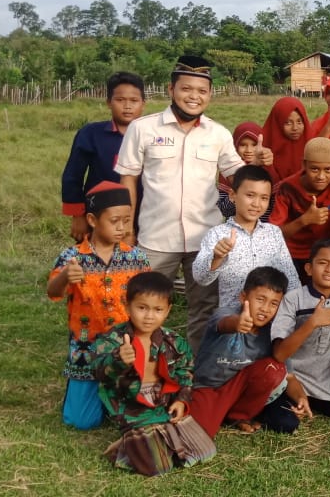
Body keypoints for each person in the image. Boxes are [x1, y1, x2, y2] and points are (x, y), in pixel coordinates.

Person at [115, 56, 244, 351]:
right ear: (171, 89)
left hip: (206, 239)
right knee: (145, 305)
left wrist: (256, 167)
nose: (194, 96)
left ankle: (196, 368)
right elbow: (128, 180)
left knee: (205, 307)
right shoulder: (143, 128)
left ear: (210, 94)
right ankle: (143, 364)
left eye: (202, 91)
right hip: (156, 238)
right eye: (187, 89)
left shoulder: (218, 134)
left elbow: (237, 174)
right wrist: (127, 228)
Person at [47, 181, 151, 430]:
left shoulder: (136, 257)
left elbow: (147, 299)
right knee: (82, 422)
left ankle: (116, 395)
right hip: (86, 351)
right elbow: (53, 292)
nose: (122, 227)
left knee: (137, 416)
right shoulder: (72, 257)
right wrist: (65, 276)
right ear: (92, 220)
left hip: (125, 348)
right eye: (114, 221)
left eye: (126, 220)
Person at [93, 272, 216, 476]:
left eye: (158, 309)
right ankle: (125, 447)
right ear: (127, 306)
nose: (149, 316)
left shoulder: (173, 341)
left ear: (167, 310)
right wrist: (117, 359)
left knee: (205, 452)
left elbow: (185, 372)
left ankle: (151, 438)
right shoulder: (113, 339)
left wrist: (182, 400)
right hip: (132, 408)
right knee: (158, 467)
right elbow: (97, 371)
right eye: (142, 308)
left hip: (164, 404)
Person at [266, 239, 330, 427]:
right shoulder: (293, 299)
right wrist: (312, 322)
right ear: (309, 268)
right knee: (285, 423)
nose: (329, 270)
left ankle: (308, 400)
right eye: (322, 263)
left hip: (325, 376)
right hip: (292, 375)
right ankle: (292, 399)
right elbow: (279, 355)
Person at [190, 266, 292, 438]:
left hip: (237, 390)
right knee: (200, 434)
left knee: (274, 369)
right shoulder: (225, 313)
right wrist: (237, 323)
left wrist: (301, 398)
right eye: (260, 299)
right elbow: (224, 323)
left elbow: (289, 374)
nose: (265, 308)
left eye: (274, 304)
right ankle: (215, 412)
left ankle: (237, 415)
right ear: (243, 297)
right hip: (208, 388)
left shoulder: (272, 332)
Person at [194, 165, 301, 312]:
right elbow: (201, 278)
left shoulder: (273, 233)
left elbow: (291, 278)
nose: (256, 204)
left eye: (264, 198)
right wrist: (217, 257)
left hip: (269, 315)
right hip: (232, 317)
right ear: (232, 195)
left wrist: (293, 313)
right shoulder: (218, 234)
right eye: (250, 195)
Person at [61, 71, 145, 242]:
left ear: (143, 103)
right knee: (97, 255)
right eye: (120, 100)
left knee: (137, 257)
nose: (127, 106)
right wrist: (78, 215)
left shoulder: (152, 136)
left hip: (145, 215)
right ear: (108, 102)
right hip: (99, 213)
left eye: (134, 100)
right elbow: (73, 176)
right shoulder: (91, 134)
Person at [271, 137, 330, 284]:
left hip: (323, 254)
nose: (321, 176)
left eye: (328, 170)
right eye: (314, 169)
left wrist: (325, 262)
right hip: (289, 252)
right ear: (304, 164)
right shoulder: (288, 187)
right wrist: (305, 220)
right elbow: (273, 234)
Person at [217, 121, 275, 221]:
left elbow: (275, 207)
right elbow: (224, 210)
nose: (248, 150)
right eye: (243, 145)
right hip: (236, 227)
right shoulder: (229, 171)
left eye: (254, 145)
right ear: (234, 146)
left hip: (265, 227)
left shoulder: (269, 168)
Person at [261, 96, 313, 182]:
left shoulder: (310, 144)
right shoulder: (266, 147)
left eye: (299, 122)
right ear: (278, 123)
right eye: (288, 123)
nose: (295, 128)